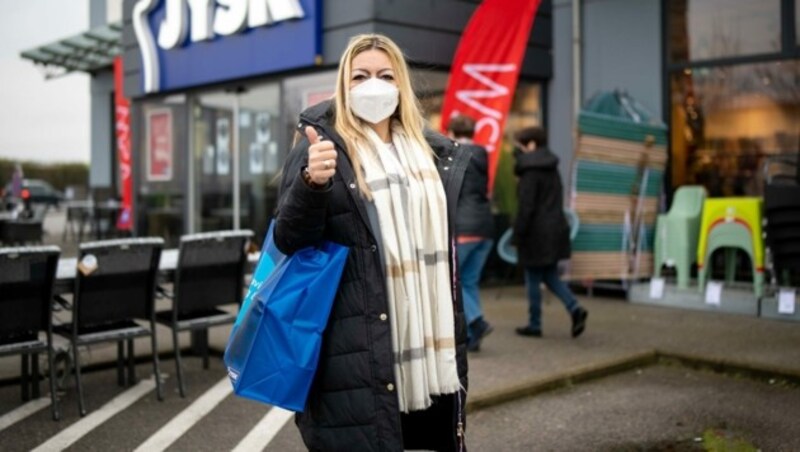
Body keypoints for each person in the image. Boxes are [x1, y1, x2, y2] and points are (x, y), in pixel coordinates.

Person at [274, 34, 470, 451]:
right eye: (360, 76)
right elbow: (288, 240)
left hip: (432, 350)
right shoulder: (322, 147)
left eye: (385, 75)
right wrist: (312, 183)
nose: (373, 85)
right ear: (344, 85)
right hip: (356, 353)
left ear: (401, 84)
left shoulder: (433, 153)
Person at [513, 126, 588, 338]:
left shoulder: (530, 171)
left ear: (531, 145)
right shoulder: (551, 167)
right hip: (554, 229)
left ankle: (535, 324)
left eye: (520, 146)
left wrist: (518, 234)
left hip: (536, 234)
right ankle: (575, 308)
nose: (517, 151)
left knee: (533, 278)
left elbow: (526, 207)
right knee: (550, 275)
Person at [446, 115, 495, 352]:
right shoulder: (483, 155)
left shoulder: (454, 155)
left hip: (464, 228)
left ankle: (477, 321)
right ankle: (474, 335)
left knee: (453, 281)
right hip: (485, 227)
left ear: (452, 133)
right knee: (470, 282)